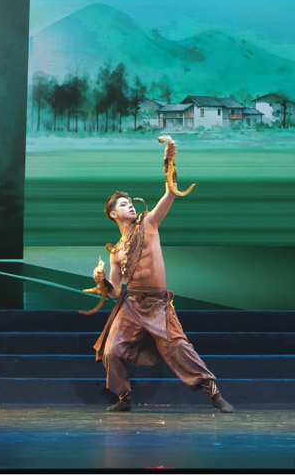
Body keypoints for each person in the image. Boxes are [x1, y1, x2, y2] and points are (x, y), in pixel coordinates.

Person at [91, 135, 234, 413]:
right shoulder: (116, 251)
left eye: (130, 202)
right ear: (113, 215)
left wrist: (169, 160)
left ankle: (214, 393)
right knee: (111, 350)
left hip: (157, 303)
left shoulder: (149, 224)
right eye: (123, 204)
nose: (130, 205)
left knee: (177, 347)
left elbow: (170, 194)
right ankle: (124, 397)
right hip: (131, 305)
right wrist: (102, 282)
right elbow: (116, 293)